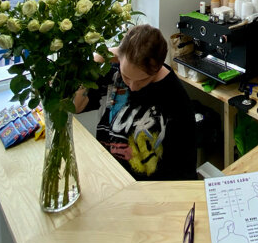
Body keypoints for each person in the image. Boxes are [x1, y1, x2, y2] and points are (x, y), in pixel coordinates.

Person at [75, 24, 197, 182]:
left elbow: (184, 173)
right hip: (108, 177)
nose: (132, 86)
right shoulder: (112, 71)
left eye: (142, 80)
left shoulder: (175, 98)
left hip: (147, 190)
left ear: (158, 67)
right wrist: (98, 58)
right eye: (126, 76)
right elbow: (76, 106)